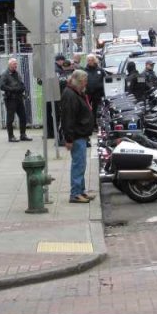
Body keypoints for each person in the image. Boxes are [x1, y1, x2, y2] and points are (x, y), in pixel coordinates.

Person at [61, 70, 96, 203]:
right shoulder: (70, 95)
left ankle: (81, 191)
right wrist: (69, 139)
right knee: (78, 165)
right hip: (76, 136)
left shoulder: (76, 93)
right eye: (84, 82)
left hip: (80, 134)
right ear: (78, 82)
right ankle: (75, 193)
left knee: (81, 164)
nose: (85, 84)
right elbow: (68, 119)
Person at [0, 57, 32, 143]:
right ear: (9, 65)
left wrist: (23, 88)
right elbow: (2, 86)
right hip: (10, 99)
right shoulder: (5, 74)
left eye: (16, 64)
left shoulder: (17, 74)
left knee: (23, 117)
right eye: (14, 64)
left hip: (19, 98)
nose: (16, 66)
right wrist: (12, 89)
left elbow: (21, 83)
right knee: (10, 118)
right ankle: (11, 136)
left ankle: (23, 135)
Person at [84, 54, 105, 128]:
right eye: (89, 60)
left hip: (98, 93)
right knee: (88, 109)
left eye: (92, 60)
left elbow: (104, 80)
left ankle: (96, 124)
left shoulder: (100, 70)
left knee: (97, 110)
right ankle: (89, 124)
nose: (90, 62)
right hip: (88, 93)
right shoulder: (85, 70)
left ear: (95, 60)